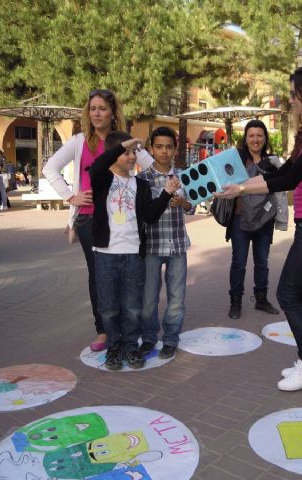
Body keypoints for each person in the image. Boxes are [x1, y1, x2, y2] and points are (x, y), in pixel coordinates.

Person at [216, 67, 302, 391]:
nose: (291, 100)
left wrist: (242, 190)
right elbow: (284, 170)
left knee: (287, 292)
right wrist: (238, 186)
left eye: (294, 93)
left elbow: (289, 180)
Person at [43, 89, 153, 351]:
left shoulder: (124, 141)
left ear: (113, 113)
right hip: (91, 220)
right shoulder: (80, 141)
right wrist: (71, 197)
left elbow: (150, 167)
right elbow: (50, 168)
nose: (96, 113)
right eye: (92, 108)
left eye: (102, 108)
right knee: (99, 277)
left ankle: (126, 331)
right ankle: (103, 331)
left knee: (126, 276)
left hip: (124, 221)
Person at [89, 132, 180, 370]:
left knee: (132, 307)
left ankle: (130, 347)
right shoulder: (102, 179)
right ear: (115, 153)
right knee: (108, 308)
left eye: (133, 153)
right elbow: (98, 165)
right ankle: (114, 349)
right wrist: (122, 144)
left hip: (133, 254)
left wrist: (166, 193)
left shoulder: (140, 184)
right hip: (106, 253)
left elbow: (150, 216)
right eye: (126, 153)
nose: (131, 157)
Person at [137, 127, 193, 360]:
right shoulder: (142, 179)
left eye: (168, 147)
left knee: (176, 298)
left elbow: (192, 206)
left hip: (178, 245)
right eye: (159, 146)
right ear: (152, 148)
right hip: (151, 246)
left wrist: (182, 203)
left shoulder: (183, 175)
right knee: (148, 299)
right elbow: (142, 213)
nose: (163, 151)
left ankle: (170, 339)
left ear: (174, 149)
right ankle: (149, 337)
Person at [225, 119, 281, 319]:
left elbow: (278, 190)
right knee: (239, 263)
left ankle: (261, 299)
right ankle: (236, 301)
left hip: (264, 222)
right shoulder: (237, 160)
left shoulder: (272, 163)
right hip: (240, 220)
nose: (255, 139)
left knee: (262, 262)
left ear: (265, 138)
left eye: (259, 135)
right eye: (251, 135)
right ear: (245, 138)